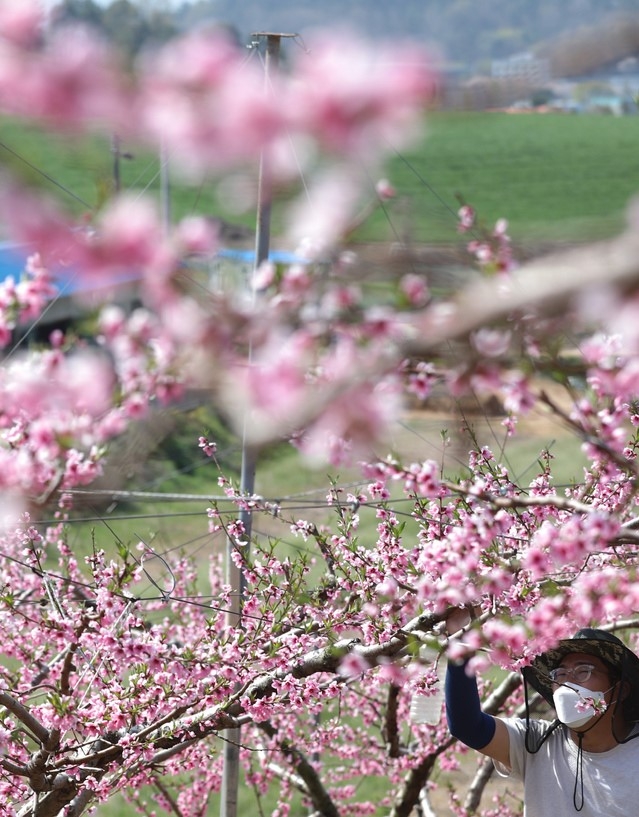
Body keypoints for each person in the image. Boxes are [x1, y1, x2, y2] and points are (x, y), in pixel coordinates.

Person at [444, 618, 639, 816]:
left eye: (583, 671)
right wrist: (460, 640)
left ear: (621, 689)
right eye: (560, 674)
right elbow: (467, 725)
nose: (567, 682)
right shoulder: (536, 742)